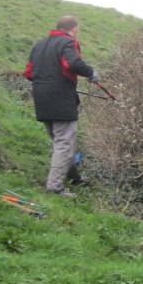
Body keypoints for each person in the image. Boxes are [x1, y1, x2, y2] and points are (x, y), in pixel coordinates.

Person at [24, 16, 99, 197]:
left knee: (63, 142)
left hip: (41, 98)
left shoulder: (39, 45)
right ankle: (54, 188)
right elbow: (72, 63)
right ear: (75, 29)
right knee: (64, 143)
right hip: (61, 100)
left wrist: (49, 82)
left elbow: (28, 73)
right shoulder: (68, 42)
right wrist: (91, 72)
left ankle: (74, 177)